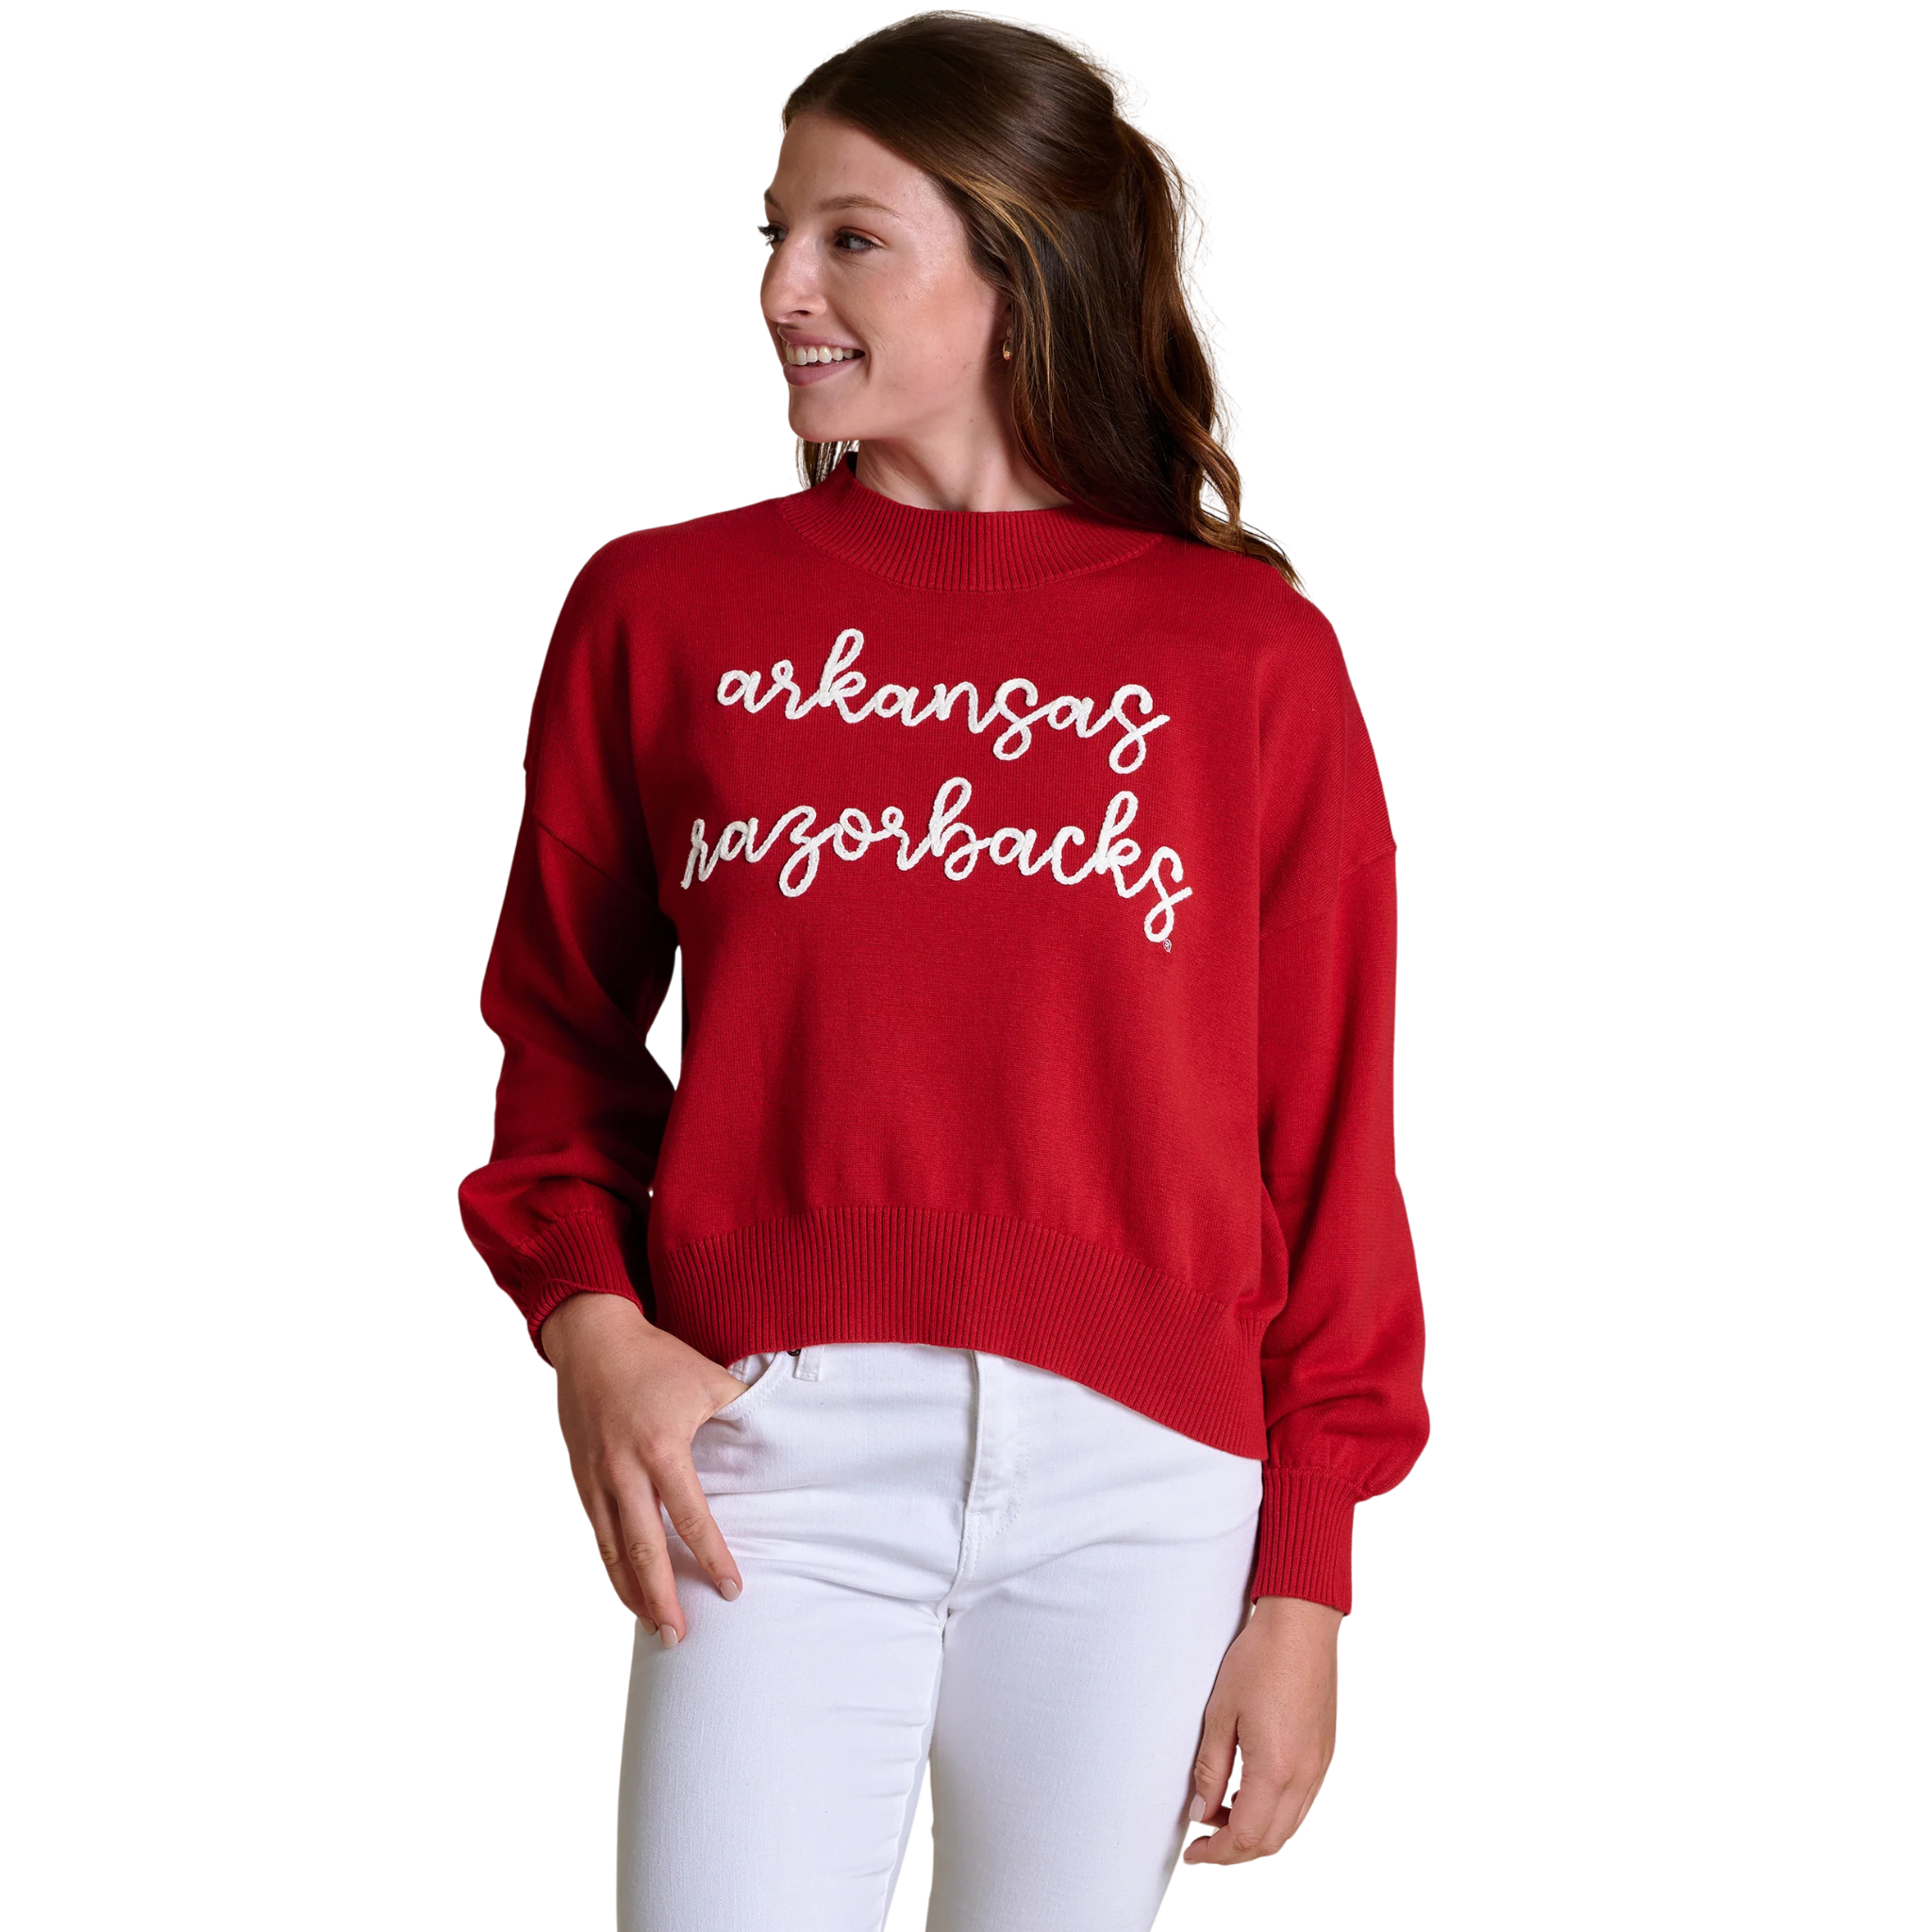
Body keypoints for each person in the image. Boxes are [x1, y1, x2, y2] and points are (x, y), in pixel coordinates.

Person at [457, 12, 1428, 1928]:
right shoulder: (663, 610)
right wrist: (591, 1323)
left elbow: (1328, 1133)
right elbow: (557, 1035)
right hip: (766, 1457)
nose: (779, 290)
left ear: (1018, 271)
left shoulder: (1245, 658)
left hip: (1150, 1482)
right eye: (772, 235)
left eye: (848, 240)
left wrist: (1305, 1574)